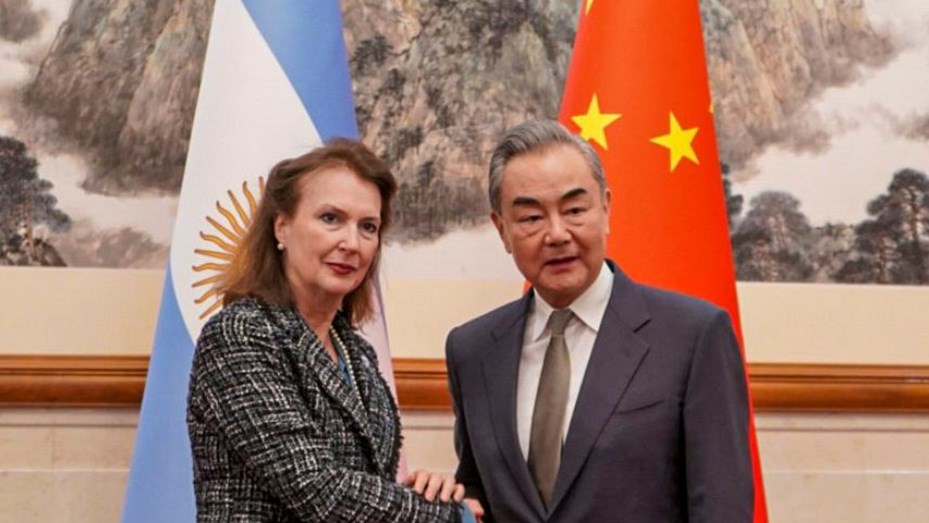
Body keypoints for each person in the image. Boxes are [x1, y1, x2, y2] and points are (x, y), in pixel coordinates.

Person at [445, 120, 754, 522]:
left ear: (605, 209)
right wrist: (442, 503)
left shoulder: (693, 337)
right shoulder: (472, 350)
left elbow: (721, 508)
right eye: (531, 218)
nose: (557, 234)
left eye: (574, 210)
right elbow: (477, 493)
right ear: (502, 229)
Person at [187, 139, 480, 522]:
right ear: (281, 227)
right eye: (331, 219)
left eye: (368, 227)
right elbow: (316, 489)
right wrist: (449, 517)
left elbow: (362, 485)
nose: (352, 243)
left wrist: (424, 492)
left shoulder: (357, 352)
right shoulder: (239, 334)